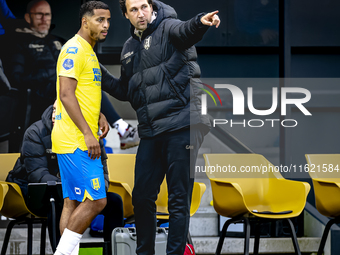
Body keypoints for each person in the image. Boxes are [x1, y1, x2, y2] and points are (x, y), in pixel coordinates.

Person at [100, 0, 220, 254]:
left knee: (178, 198)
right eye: (134, 9)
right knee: (142, 197)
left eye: (144, 6)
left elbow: (187, 30)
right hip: (152, 131)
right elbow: (126, 89)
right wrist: (98, 73)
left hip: (183, 123)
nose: (141, 13)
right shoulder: (129, 47)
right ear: (126, 14)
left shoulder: (168, 27)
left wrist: (201, 22)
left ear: (152, 7)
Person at [4, 0, 139, 152]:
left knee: (90, 82)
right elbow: (16, 79)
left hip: (70, 96)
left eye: (47, 15)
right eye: (39, 15)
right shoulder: (20, 43)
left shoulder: (58, 41)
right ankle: (122, 128)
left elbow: (107, 83)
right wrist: (51, 73)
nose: (44, 19)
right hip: (42, 98)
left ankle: (122, 129)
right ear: (28, 18)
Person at [6, 102, 124, 254]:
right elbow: (38, 174)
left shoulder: (91, 135)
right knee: (56, 201)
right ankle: (62, 251)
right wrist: (73, 187)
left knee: (114, 201)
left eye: (61, 111)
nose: (55, 115)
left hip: (75, 190)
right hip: (32, 190)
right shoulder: (36, 132)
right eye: (54, 110)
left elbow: (103, 175)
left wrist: (88, 190)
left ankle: (113, 252)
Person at [51, 2, 112, 255]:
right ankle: (62, 254)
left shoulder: (88, 50)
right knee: (97, 200)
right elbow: (65, 94)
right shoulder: (74, 49)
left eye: (108, 20)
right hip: (76, 140)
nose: (106, 25)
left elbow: (78, 92)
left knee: (72, 201)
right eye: (100, 20)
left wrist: (98, 113)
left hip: (74, 137)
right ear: (85, 22)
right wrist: (88, 133)